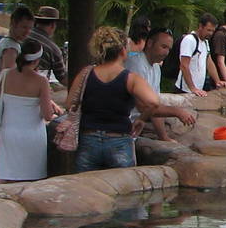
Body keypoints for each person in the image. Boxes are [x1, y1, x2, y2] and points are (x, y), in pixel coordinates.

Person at [67, 26, 197, 172]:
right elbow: (153, 102)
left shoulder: (85, 73)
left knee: (87, 187)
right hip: (118, 139)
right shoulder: (129, 77)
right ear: (123, 51)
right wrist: (142, 119)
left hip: (88, 138)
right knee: (122, 187)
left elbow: (70, 103)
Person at [0, 39, 60, 183]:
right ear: (37, 60)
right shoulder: (41, 81)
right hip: (32, 135)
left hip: (8, 133)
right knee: (31, 179)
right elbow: (47, 114)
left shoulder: (5, 75)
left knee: (6, 176)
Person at [0, 5, 35, 100]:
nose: (27, 31)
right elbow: (9, 78)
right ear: (13, 24)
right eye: (24, 27)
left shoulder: (4, 42)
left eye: (30, 28)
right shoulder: (11, 48)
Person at [178, 13, 218, 95]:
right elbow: (184, 65)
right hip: (185, 90)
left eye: (213, 31)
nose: (210, 33)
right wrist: (193, 88)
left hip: (198, 89)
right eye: (208, 30)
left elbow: (209, 63)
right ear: (200, 26)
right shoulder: (190, 40)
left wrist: (218, 81)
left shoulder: (205, 42)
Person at [28, 6, 68, 81]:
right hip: (37, 87)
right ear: (53, 25)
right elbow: (62, 77)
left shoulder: (23, 35)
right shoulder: (53, 48)